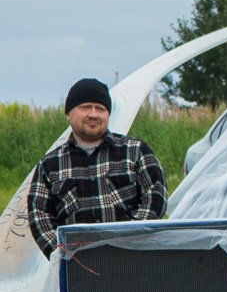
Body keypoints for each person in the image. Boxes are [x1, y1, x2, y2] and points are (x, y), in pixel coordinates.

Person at [26, 78, 168, 257]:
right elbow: (39, 214)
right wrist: (63, 253)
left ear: (108, 114)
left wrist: (132, 238)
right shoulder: (49, 165)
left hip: (134, 257)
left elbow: (156, 193)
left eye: (100, 109)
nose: (93, 114)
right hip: (78, 267)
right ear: (68, 113)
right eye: (85, 107)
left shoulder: (136, 150)